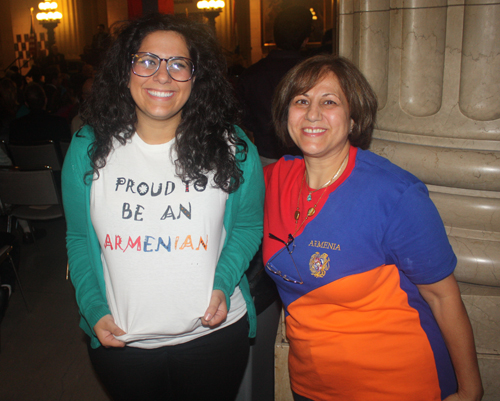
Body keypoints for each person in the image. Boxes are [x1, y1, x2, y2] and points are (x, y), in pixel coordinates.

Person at [62, 12, 264, 401]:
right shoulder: (88, 149)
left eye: (178, 64)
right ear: (126, 70)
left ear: (195, 76)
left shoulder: (232, 147)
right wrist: (92, 307)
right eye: (147, 61)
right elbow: (75, 236)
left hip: (215, 338)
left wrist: (223, 283)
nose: (163, 75)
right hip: (124, 342)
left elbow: (247, 226)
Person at [263, 55, 483, 401]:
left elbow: (443, 296)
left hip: (399, 385)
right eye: (301, 101)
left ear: (353, 118)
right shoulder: (275, 180)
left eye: (329, 101)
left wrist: (471, 389)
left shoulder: (394, 194)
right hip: (311, 385)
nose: (312, 114)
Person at [236, 6, 312, 166]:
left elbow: (243, 118)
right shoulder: (315, 75)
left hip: (266, 158)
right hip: (306, 159)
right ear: (306, 40)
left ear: (275, 36)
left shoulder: (251, 74)